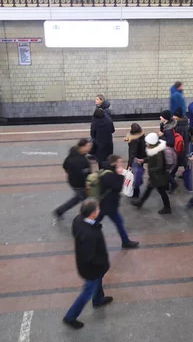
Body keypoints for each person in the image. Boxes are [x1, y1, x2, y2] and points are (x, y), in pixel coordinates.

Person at [63, 199, 113, 329]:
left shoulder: (78, 219)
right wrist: (104, 263)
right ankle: (70, 317)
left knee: (98, 282)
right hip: (91, 269)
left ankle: (98, 300)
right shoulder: (90, 234)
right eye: (97, 209)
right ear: (92, 214)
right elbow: (90, 257)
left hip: (90, 267)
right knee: (87, 292)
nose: (99, 211)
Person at [96, 155, 139, 249]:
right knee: (118, 222)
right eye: (120, 162)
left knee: (99, 220)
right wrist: (120, 175)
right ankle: (126, 242)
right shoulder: (109, 175)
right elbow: (118, 187)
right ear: (114, 163)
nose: (121, 164)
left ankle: (126, 241)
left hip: (107, 203)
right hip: (108, 204)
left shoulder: (107, 171)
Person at [131, 133, 172, 215]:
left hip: (158, 177)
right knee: (149, 189)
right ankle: (140, 202)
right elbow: (151, 159)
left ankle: (167, 208)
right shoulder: (154, 149)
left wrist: (151, 170)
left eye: (147, 142)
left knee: (161, 192)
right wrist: (144, 160)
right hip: (156, 176)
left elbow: (159, 166)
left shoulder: (157, 153)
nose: (146, 143)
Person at [53, 138, 93, 221]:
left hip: (72, 181)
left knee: (79, 198)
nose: (90, 148)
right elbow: (86, 176)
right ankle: (60, 211)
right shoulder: (82, 161)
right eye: (88, 146)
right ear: (82, 147)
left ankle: (85, 213)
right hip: (80, 184)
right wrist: (87, 185)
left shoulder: (72, 154)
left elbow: (65, 166)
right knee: (78, 198)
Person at [124, 123, 146, 199]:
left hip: (135, 160)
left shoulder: (134, 141)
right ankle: (136, 190)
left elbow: (133, 154)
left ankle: (135, 193)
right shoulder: (142, 135)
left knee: (133, 176)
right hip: (141, 158)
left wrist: (129, 164)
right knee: (137, 175)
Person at [159, 110, 178, 193]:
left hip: (169, 153)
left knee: (165, 171)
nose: (160, 117)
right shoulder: (166, 126)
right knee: (165, 170)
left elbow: (170, 142)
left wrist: (162, 136)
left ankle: (173, 184)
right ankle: (167, 185)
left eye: (161, 116)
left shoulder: (168, 129)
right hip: (168, 152)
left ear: (165, 118)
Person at [173, 108, 193, 176]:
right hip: (186, 146)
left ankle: (171, 176)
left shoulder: (178, 127)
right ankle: (187, 174)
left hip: (180, 147)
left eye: (175, 116)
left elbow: (177, 138)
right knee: (185, 161)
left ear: (179, 117)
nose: (173, 117)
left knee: (177, 161)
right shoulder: (186, 124)